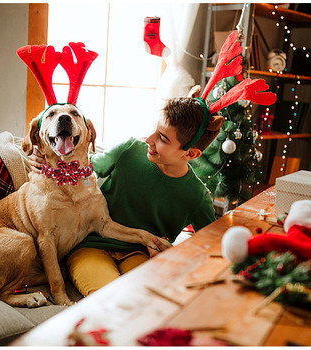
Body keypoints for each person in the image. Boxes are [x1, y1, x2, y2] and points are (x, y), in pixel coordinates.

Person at [29, 87, 224, 296]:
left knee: (143, 298)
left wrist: (175, 253)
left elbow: (213, 248)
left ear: (191, 153)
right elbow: (83, 166)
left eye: (163, 139)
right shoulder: (129, 150)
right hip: (91, 246)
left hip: (139, 253)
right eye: (154, 129)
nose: (148, 139)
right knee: (107, 298)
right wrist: (40, 158)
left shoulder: (197, 196)